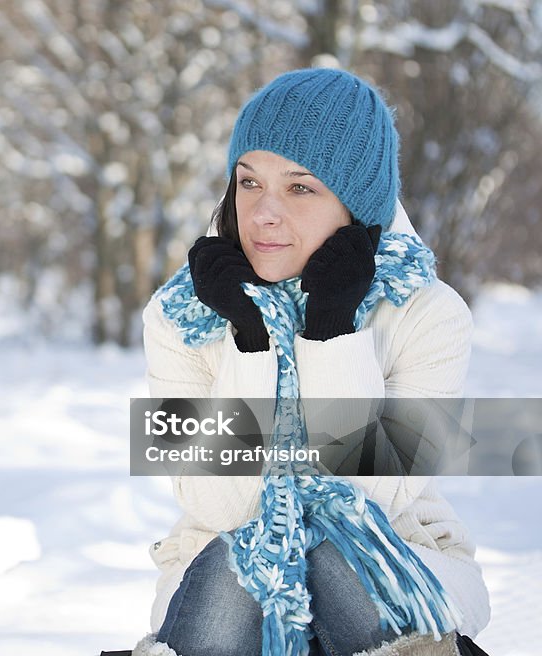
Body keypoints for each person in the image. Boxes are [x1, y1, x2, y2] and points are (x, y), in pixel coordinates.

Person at [133, 68, 491, 656]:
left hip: (395, 554)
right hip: (223, 570)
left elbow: (374, 496)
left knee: (331, 556)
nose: (264, 213)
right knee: (240, 567)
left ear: (356, 204)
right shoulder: (177, 317)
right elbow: (218, 505)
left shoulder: (430, 314)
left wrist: (331, 329)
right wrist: (252, 335)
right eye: (249, 182)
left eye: (301, 188)